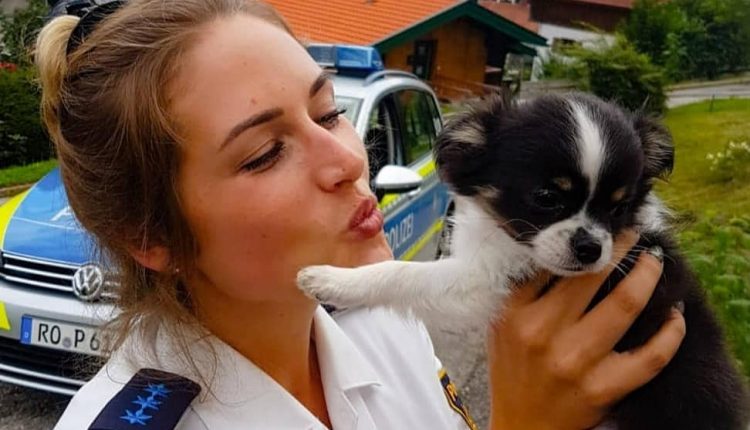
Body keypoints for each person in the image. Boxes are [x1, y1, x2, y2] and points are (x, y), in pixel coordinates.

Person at [35, 0, 686, 428]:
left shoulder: (384, 326)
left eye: (327, 113)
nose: (347, 159)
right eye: (264, 154)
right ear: (150, 236)